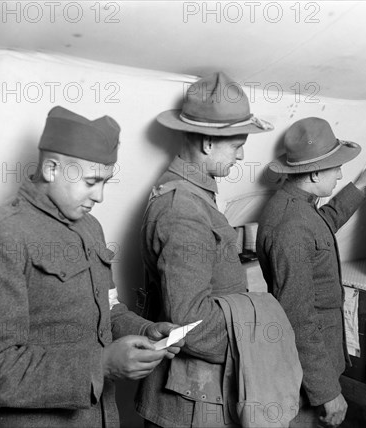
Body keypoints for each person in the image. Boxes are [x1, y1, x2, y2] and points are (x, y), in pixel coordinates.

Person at [0, 106, 182, 428]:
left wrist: (145, 331)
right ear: (50, 169)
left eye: (105, 182)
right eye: (91, 181)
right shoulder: (0, 234)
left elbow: (108, 308)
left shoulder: (89, 227)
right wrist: (101, 364)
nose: (99, 196)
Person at [135, 72, 274, 428]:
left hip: (201, 391)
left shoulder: (194, 194)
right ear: (209, 143)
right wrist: (257, 338)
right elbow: (190, 324)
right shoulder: (182, 208)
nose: (242, 155)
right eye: (237, 144)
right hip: (191, 403)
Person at [256, 117, 366, 428]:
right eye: (336, 168)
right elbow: (297, 315)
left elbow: (321, 226)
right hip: (308, 373)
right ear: (314, 173)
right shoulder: (291, 226)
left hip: (316, 364)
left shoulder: (296, 205)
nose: (341, 174)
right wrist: (326, 391)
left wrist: (360, 185)